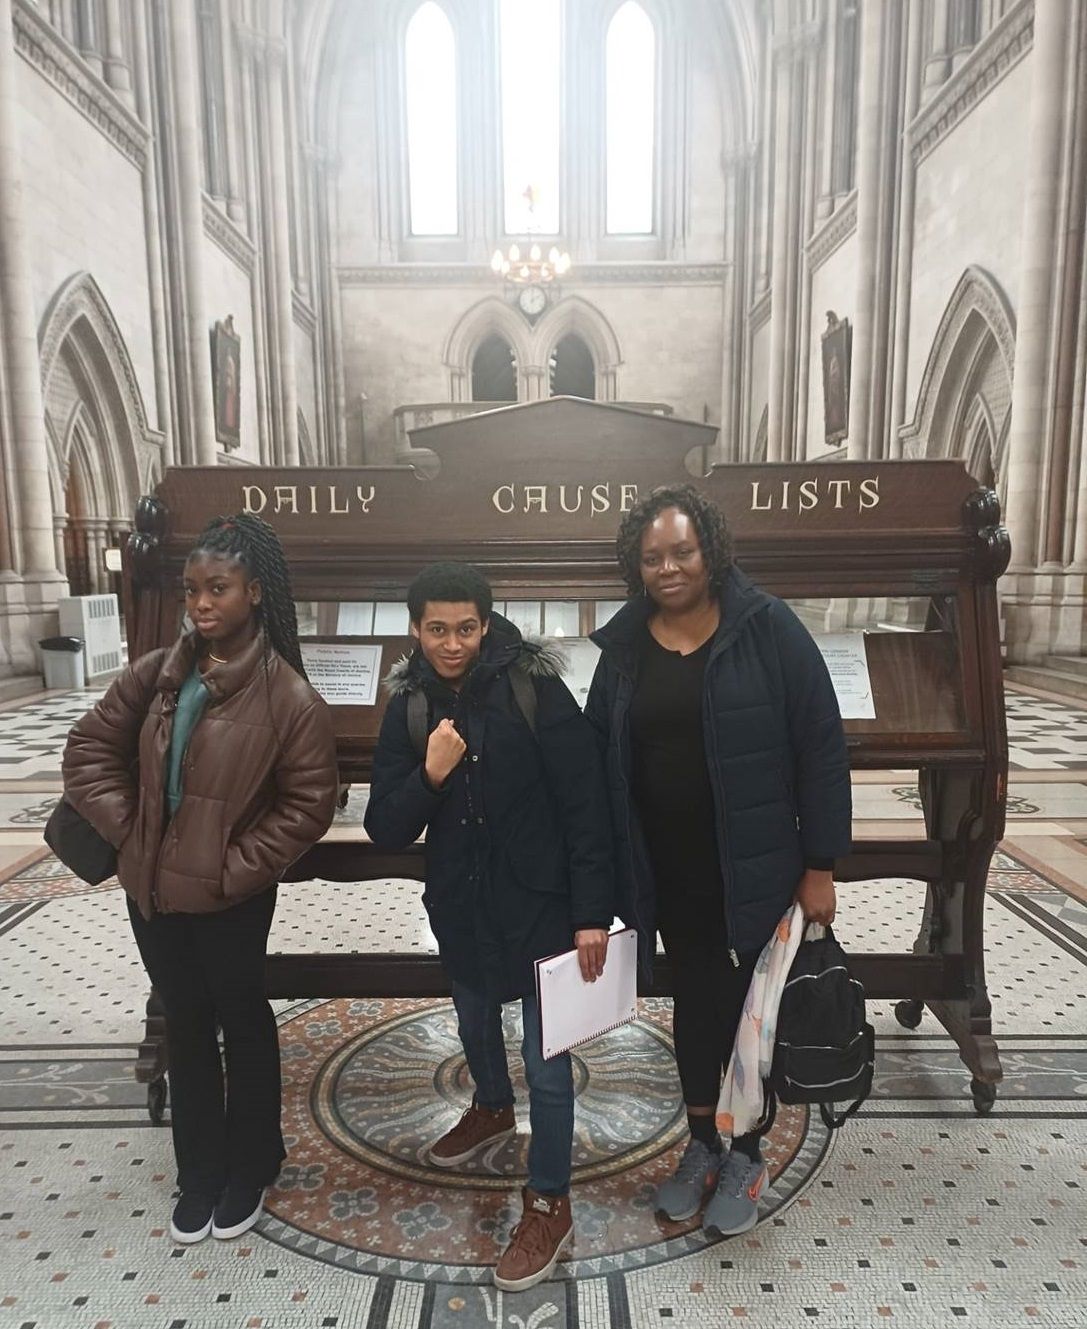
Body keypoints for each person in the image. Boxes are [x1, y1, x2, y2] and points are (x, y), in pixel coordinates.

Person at [62, 513, 338, 1245]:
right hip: (150, 889)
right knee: (183, 1019)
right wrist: (134, 833)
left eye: (217, 588)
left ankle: (250, 1163)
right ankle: (200, 1169)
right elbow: (88, 747)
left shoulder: (288, 698)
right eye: (191, 589)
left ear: (254, 590)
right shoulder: (158, 671)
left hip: (229, 896)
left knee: (241, 1019)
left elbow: (308, 805)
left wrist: (225, 868)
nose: (201, 603)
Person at [585, 485, 851, 1236]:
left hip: (755, 863)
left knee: (749, 1011)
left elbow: (820, 745)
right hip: (665, 871)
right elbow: (594, 752)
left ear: (709, 550)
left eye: (681, 551)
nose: (668, 568)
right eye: (652, 557)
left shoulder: (765, 628)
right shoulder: (626, 646)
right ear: (635, 565)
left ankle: (746, 1150)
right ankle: (701, 1142)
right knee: (695, 1002)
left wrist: (820, 863)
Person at [364, 562, 613, 1291]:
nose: (451, 643)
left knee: (548, 1059)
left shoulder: (534, 689)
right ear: (414, 630)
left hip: (540, 904)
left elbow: (585, 805)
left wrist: (591, 913)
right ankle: (491, 1107)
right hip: (462, 905)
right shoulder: (407, 707)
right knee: (474, 1020)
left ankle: (548, 1202)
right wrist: (430, 774)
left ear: (485, 621)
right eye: (436, 629)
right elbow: (384, 825)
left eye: (465, 628)